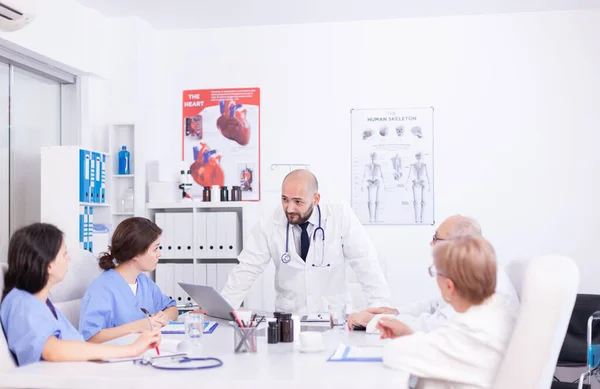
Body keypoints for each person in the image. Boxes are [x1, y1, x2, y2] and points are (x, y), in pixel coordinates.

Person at [221, 169, 390, 313]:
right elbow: (248, 267)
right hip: (289, 319)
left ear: (315, 199)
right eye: (285, 199)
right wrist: (221, 309)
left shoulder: (339, 214)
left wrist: (379, 307)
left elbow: (365, 262)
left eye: (298, 202)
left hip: (333, 317)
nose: (289, 208)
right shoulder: (270, 221)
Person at [0, 223, 160, 366]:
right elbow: (52, 350)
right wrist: (130, 350)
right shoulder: (22, 303)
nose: (68, 259)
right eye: (64, 254)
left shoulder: (43, 303)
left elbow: (76, 347)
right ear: (48, 264)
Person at [380, 235, 516, 389]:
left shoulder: (469, 331)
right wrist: (408, 333)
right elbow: (443, 349)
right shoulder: (496, 313)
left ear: (449, 286)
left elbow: (394, 354)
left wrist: (405, 338)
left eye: (435, 273)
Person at [347, 215, 519, 332]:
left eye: (436, 239)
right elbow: (436, 306)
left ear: (457, 244)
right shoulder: (479, 271)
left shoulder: (487, 284)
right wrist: (394, 313)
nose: (431, 244)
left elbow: (435, 327)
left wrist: (376, 321)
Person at [79, 217, 178, 343]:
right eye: (155, 249)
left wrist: (164, 317)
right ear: (136, 254)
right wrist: (138, 326)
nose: (160, 254)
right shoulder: (102, 289)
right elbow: (90, 338)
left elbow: (172, 308)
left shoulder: (144, 282)